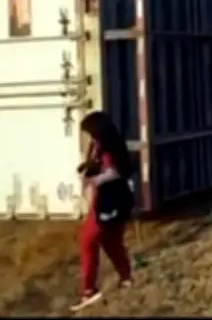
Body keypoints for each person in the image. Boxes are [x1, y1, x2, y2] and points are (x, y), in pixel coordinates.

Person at [71, 111, 136, 312]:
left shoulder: (110, 147)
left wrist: (93, 180)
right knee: (111, 242)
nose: (88, 137)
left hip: (109, 202)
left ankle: (89, 291)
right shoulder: (98, 145)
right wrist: (87, 167)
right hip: (111, 202)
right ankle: (126, 278)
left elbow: (115, 171)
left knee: (88, 241)